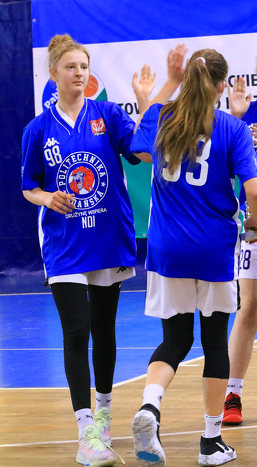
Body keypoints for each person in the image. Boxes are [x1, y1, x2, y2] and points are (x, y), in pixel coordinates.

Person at [20, 34, 165, 466]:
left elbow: (143, 153)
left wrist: (144, 101)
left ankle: (103, 414)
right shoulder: (38, 129)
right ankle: (86, 432)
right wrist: (47, 198)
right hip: (64, 244)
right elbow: (28, 186)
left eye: (84, 67)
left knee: (104, 330)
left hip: (107, 238)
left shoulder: (108, 115)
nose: (79, 73)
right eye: (71, 67)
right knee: (76, 329)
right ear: (54, 73)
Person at [129, 49, 257, 466]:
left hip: (167, 249)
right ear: (222, 86)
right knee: (214, 341)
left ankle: (150, 405)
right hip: (213, 249)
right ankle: (210, 441)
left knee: (175, 339)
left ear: (186, 79)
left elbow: (137, 148)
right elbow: (255, 191)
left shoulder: (164, 117)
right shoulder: (232, 128)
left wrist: (166, 85)